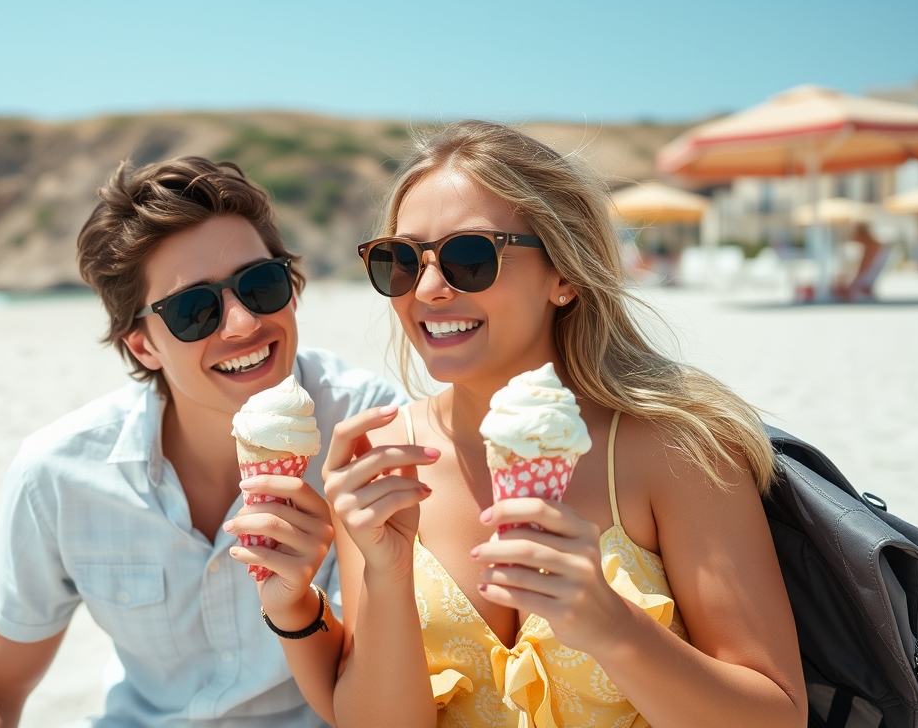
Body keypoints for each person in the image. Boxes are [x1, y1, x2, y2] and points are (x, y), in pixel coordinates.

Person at [247, 121, 807, 728]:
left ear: (563, 275)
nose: (429, 289)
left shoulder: (675, 448)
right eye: (401, 261)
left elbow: (777, 715)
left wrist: (611, 626)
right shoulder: (384, 454)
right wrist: (385, 575)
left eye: (470, 256)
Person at [0, 156, 403, 728]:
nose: (242, 323)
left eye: (260, 283)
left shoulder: (371, 430)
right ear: (142, 347)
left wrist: (302, 605)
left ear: (292, 291)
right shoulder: (60, 473)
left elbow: (387, 701)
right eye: (193, 309)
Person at [832, 221, 889, 301]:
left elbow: (861, 276)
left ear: (861, 234)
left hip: (862, 295)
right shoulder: (873, 248)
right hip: (863, 293)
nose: (853, 237)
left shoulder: (873, 248)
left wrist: (849, 287)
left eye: (854, 234)